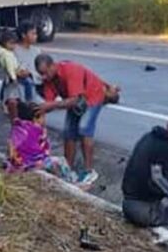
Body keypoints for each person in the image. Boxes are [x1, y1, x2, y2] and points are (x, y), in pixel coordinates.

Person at [34, 54, 118, 186]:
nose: (44, 77)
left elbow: (73, 100)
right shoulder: (49, 80)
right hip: (76, 101)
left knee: (84, 128)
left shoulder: (70, 70)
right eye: (41, 74)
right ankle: (68, 168)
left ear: (52, 66)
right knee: (68, 131)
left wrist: (51, 106)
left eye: (45, 73)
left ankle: (89, 170)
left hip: (92, 95)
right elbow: (49, 103)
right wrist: (38, 114)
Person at [5, 101, 75, 179]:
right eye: (43, 117)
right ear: (36, 118)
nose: (44, 119)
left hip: (16, 163)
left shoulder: (17, 126)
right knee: (60, 161)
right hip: (32, 163)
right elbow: (44, 149)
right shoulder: (38, 130)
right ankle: (69, 180)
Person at [0, 27, 21, 120]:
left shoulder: (1, 51)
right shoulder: (6, 54)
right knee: (8, 89)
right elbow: (9, 67)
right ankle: (5, 103)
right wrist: (13, 78)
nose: (14, 46)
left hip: (5, 72)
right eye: (12, 44)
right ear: (5, 43)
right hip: (9, 73)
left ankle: (2, 102)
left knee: (4, 86)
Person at [13, 21, 38, 102]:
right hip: (17, 82)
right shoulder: (14, 50)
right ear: (23, 35)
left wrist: (30, 73)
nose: (35, 36)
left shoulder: (36, 51)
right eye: (33, 34)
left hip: (32, 81)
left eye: (35, 34)